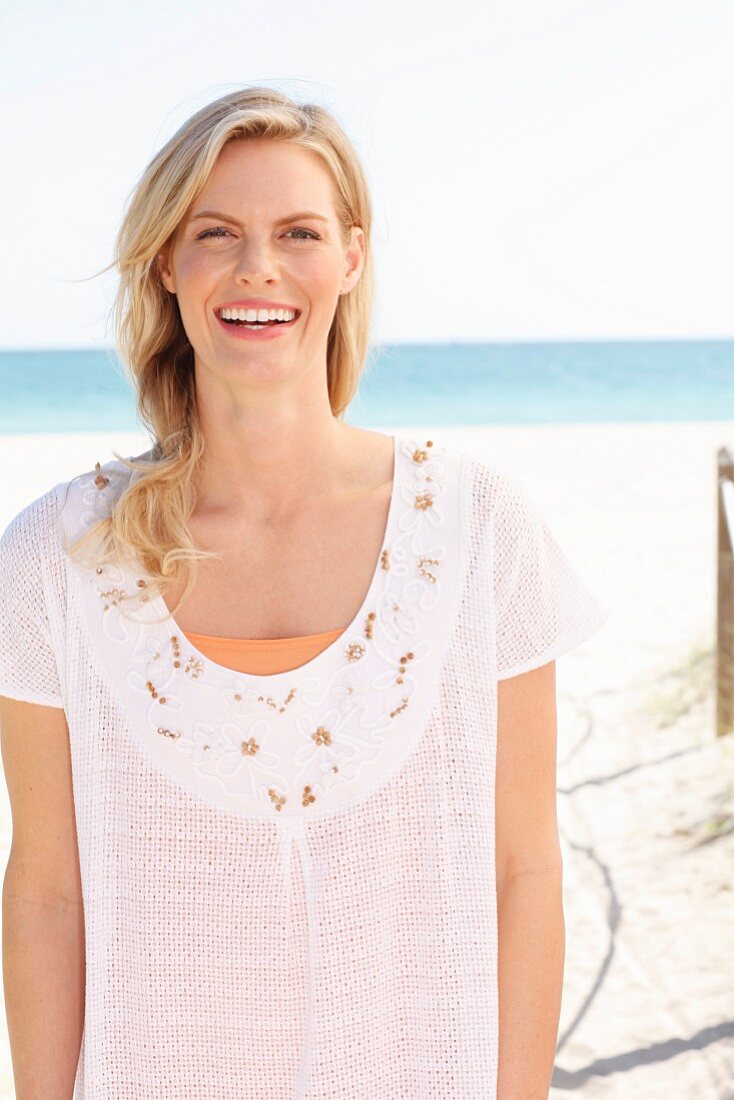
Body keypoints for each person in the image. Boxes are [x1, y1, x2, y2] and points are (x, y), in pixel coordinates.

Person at [0, 85, 609, 1099]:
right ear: (165, 260)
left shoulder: (476, 528)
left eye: (297, 231)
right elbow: (48, 895)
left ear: (350, 259)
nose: (258, 268)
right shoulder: (57, 557)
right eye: (216, 232)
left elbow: (521, 872)